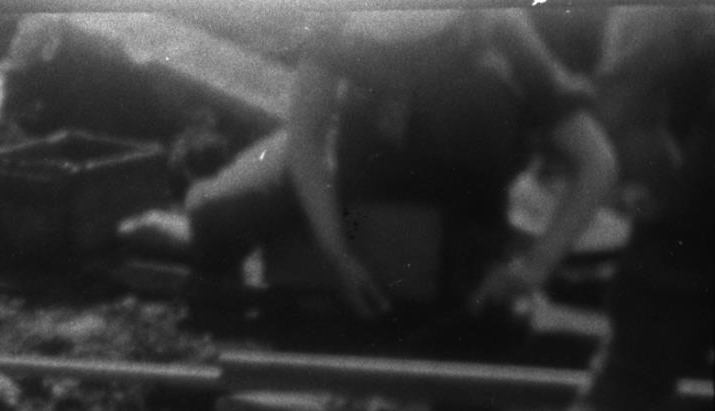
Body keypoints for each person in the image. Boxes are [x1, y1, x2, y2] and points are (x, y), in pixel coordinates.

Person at [181, 10, 616, 322]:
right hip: (354, 174)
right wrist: (336, 253)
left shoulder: (498, 30)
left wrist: (535, 267)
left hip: (457, 219)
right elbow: (306, 138)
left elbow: (596, 162)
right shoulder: (340, 22)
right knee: (215, 215)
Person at [521, 7, 714, 411]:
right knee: (619, 394)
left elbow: (628, 91)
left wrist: (666, 193)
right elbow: (630, 92)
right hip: (690, 233)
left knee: (618, 392)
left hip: (686, 234)